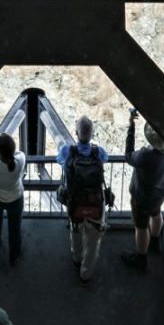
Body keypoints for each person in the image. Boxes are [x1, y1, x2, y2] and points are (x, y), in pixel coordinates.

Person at [121, 108, 164, 272]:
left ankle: (141, 259)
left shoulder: (146, 156)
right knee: (156, 214)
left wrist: (131, 126)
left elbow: (129, 156)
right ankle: (155, 241)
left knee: (141, 227)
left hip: (142, 197)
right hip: (159, 194)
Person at [56, 115, 109, 282]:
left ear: (76, 133)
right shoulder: (98, 152)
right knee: (93, 243)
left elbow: (59, 160)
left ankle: (76, 259)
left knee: (76, 230)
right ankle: (85, 275)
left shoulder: (67, 151)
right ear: (91, 134)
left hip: (75, 202)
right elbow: (105, 159)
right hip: (95, 203)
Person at [0, 131, 26, 265]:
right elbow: (20, 154)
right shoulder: (19, 162)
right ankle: (14, 257)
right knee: (15, 230)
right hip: (15, 199)